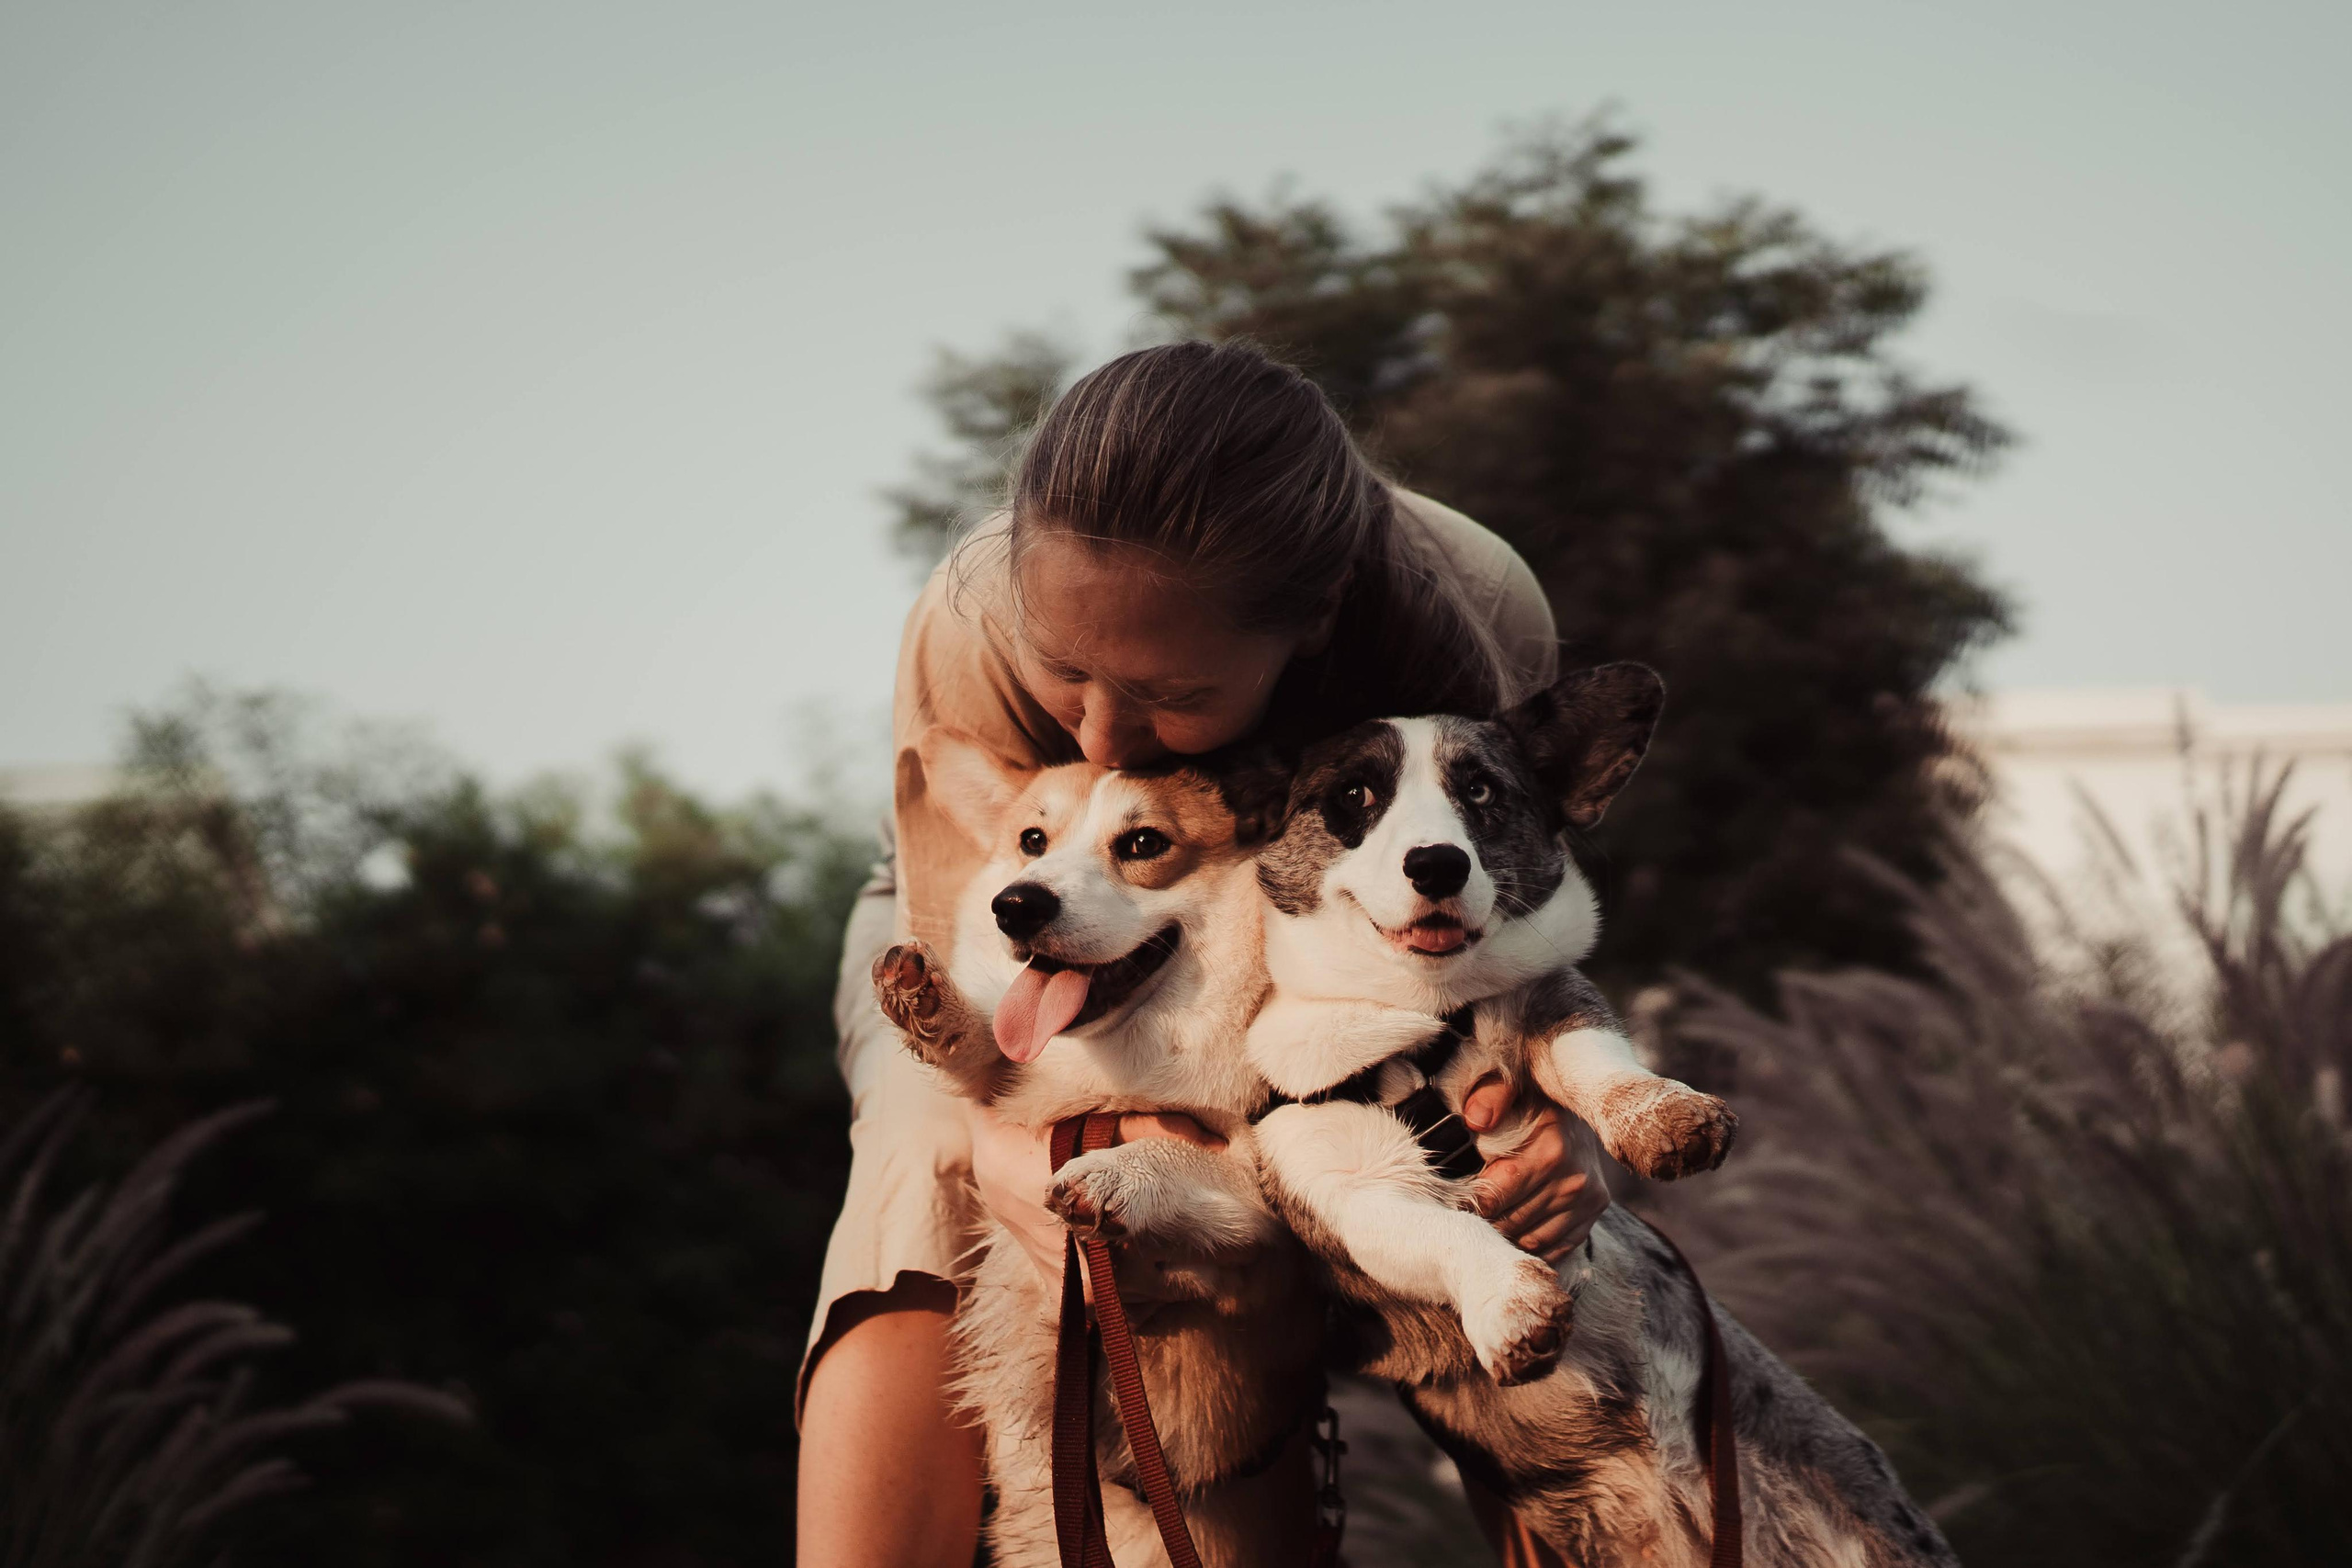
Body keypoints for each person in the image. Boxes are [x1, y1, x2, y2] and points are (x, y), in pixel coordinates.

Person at [797, 340, 1612, 1568]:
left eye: (1166, 691)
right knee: (928, 1164)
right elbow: (981, 978)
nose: (1103, 729)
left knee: (1511, 1188)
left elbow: (1513, 932)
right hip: (1004, 926)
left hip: (1319, 941)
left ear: (1317, 622)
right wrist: (1011, 1138)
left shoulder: (1478, 612)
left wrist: (1562, 1122)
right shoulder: (967, 615)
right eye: (1063, 674)